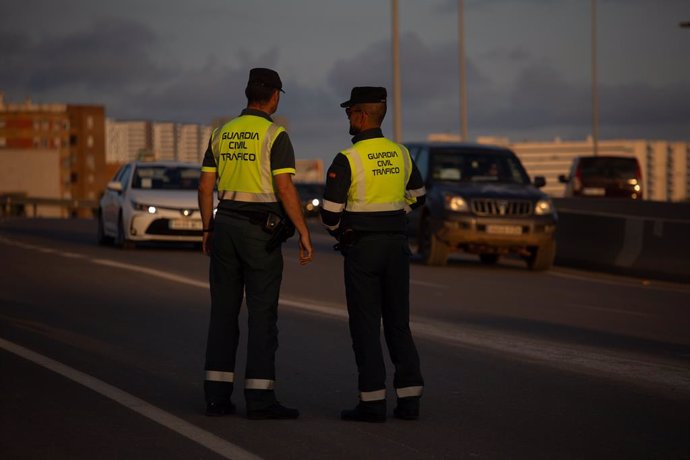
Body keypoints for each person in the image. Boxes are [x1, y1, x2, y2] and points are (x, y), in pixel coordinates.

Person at [198, 67, 313, 420]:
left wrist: (208, 230)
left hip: (226, 226)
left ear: (248, 94)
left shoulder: (222, 133)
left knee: (223, 314)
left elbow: (205, 188)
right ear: (275, 96)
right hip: (260, 233)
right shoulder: (275, 136)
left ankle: (217, 398)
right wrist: (304, 232)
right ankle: (260, 399)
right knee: (262, 316)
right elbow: (284, 188)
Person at [320, 86, 426, 422]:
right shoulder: (401, 154)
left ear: (361, 115)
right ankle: (409, 401)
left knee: (366, 326)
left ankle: (372, 403)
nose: (347, 118)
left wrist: (345, 233)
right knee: (398, 324)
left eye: (350, 112)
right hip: (396, 245)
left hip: (362, 249)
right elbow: (418, 196)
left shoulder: (347, 159)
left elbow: (330, 214)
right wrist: (396, 217)